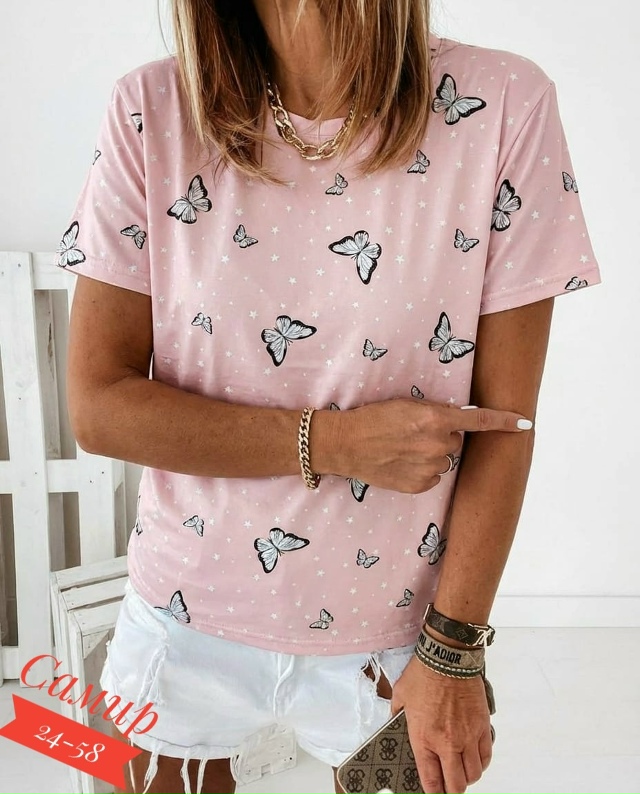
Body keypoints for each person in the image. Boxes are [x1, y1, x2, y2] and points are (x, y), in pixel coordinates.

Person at [55, 1, 601, 793]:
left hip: (401, 639)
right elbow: (98, 407)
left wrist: (454, 650)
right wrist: (335, 443)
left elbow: (505, 424)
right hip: (179, 617)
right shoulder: (152, 109)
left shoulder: (503, 104)